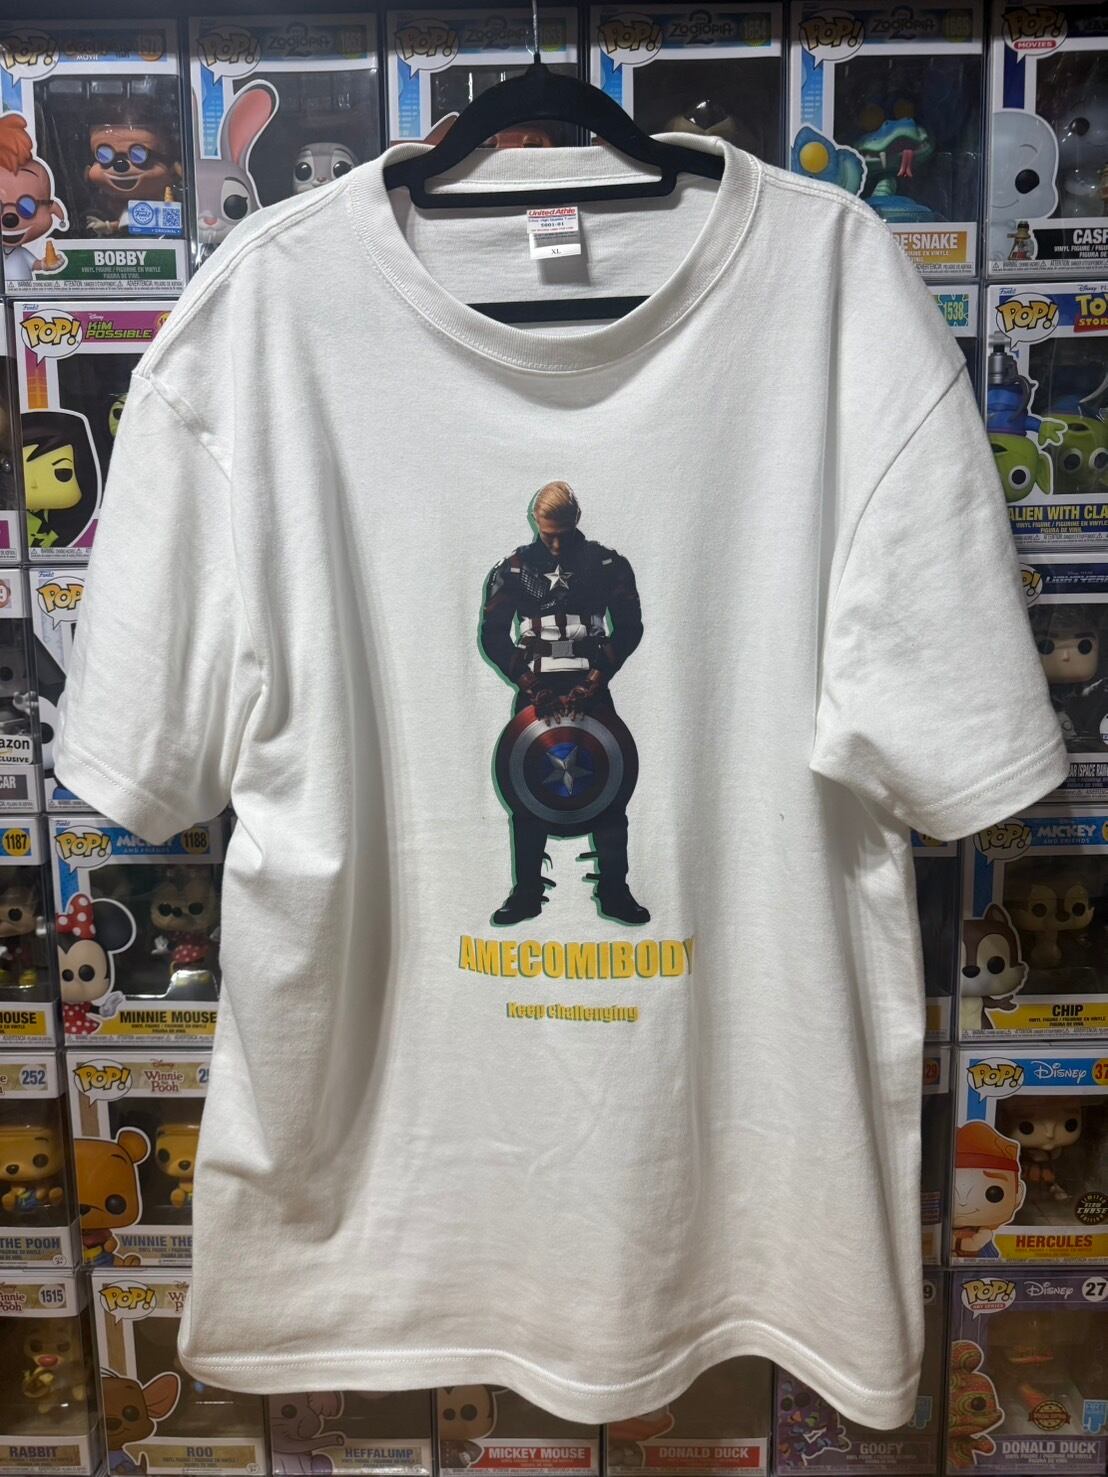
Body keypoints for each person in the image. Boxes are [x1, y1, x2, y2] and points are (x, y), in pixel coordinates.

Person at [480, 480, 648, 926]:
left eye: (563, 533)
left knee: (610, 783)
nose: (555, 545)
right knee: (526, 785)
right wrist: (528, 682)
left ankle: (614, 889)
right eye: (547, 533)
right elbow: (493, 633)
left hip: (591, 685)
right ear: (535, 521)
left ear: (577, 520)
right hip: (535, 687)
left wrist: (596, 677)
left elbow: (630, 626)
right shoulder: (514, 568)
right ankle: (527, 892)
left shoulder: (606, 564)